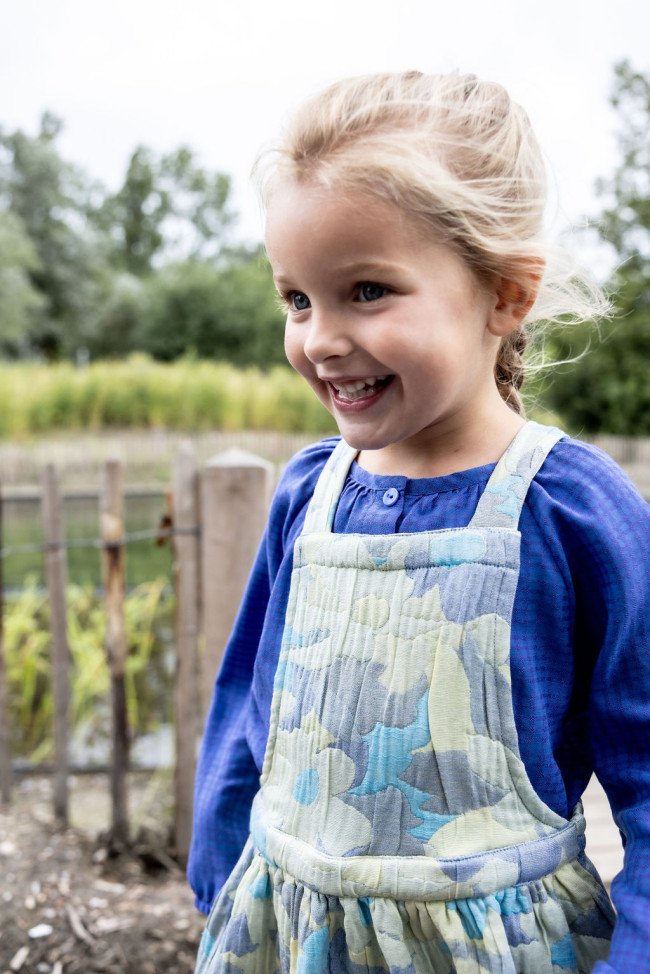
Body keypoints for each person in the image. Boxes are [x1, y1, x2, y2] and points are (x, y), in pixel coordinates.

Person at [189, 71, 650, 973]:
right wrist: (221, 887)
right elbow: (252, 709)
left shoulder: (573, 511)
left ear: (507, 296)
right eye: (297, 298)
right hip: (287, 936)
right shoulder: (309, 497)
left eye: (366, 291)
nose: (318, 338)